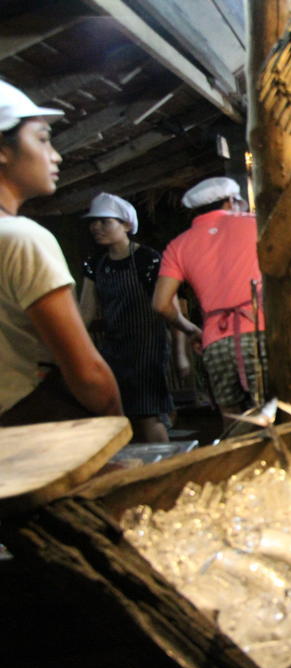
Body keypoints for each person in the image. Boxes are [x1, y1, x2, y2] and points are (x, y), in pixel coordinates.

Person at [0, 80, 121, 424]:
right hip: (34, 431)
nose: (56, 155)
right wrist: (115, 425)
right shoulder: (21, 239)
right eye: (41, 138)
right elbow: (86, 374)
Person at [152, 177, 264, 424]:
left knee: (233, 422)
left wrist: (192, 329)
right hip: (260, 334)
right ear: (232, 201)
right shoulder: (257, 224)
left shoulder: (178, 245)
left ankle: (239, 461)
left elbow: (160, 303)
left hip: (215, 343)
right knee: (273, 416)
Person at [79, 193, 177, 442]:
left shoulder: (148, 259)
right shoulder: (96, 264)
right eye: (93, 222)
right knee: (118, 417)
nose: (96, 227)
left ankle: (165, 472)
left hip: (148, 346)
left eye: (104, 222)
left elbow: (170, 306)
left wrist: (182, 352)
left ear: (126, 224)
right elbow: (85, 313)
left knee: (148, 414)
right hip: (114, 348)